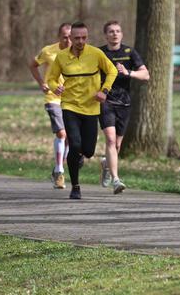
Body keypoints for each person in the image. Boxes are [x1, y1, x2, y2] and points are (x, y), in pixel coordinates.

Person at [46, 22, 118, 200]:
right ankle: (75, 187)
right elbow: (52, 78)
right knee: (75, 144)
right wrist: (56, 87)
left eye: (84, 38)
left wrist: (104, 90)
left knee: (88, 151)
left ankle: (77, 157)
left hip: (91, 107)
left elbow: (112, 71)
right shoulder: (61, 57)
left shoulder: (96, 53)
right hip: (69, 106)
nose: (80, 41)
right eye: (77, 38)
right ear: (70, 38)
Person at [98, 21, 150, 194]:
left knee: (117, 145)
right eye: (111, 31)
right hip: (105, 101)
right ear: (106, 35)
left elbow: (146, 74)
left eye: (118, 31)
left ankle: (106, 164)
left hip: (124, 102)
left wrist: (128, 73)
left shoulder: (129, 52)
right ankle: (116, 179)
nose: (115, 34)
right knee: (111, 140)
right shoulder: (99, 53)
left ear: (121, 34)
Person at [28, 23, 72, 189]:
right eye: (65, 37)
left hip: (72, 99)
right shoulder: (48, 51)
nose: (68, 40)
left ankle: (57, 167)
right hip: (53, 98)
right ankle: (60, 171)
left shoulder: (78, 52)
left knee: (69, 137)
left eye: (70, 37)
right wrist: (41, 83)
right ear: (59, 37)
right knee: (61, 133)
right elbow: (32, 65)